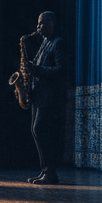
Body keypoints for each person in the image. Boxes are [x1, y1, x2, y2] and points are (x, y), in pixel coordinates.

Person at [26, 11, 65, 184]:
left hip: (49, 97)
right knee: (36, 131)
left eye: (42, 23)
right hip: (39, 95)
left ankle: (50, 173)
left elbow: (61, 70)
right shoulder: (45, 43)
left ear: (52, 24)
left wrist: (36, 70)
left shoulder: (58, 43)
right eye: (38, 23)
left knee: (41, 131)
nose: (38, 26)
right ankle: (45, 171)